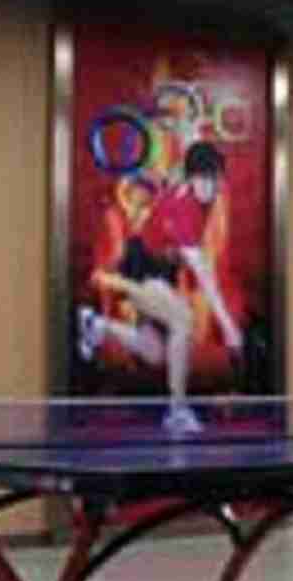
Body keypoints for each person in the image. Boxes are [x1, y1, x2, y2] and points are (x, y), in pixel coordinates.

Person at [78, 142, 243, 433]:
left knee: (154, 352)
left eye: (215, 179)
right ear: (193, 178)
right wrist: (229, 327)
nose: (212, 187)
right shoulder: (184, 210)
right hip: (143, 267)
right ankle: (177, 410)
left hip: (162, 272)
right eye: (205, 179)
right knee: (183, 319)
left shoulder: (201, 194)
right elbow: (204, 276)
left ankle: (98, 326)